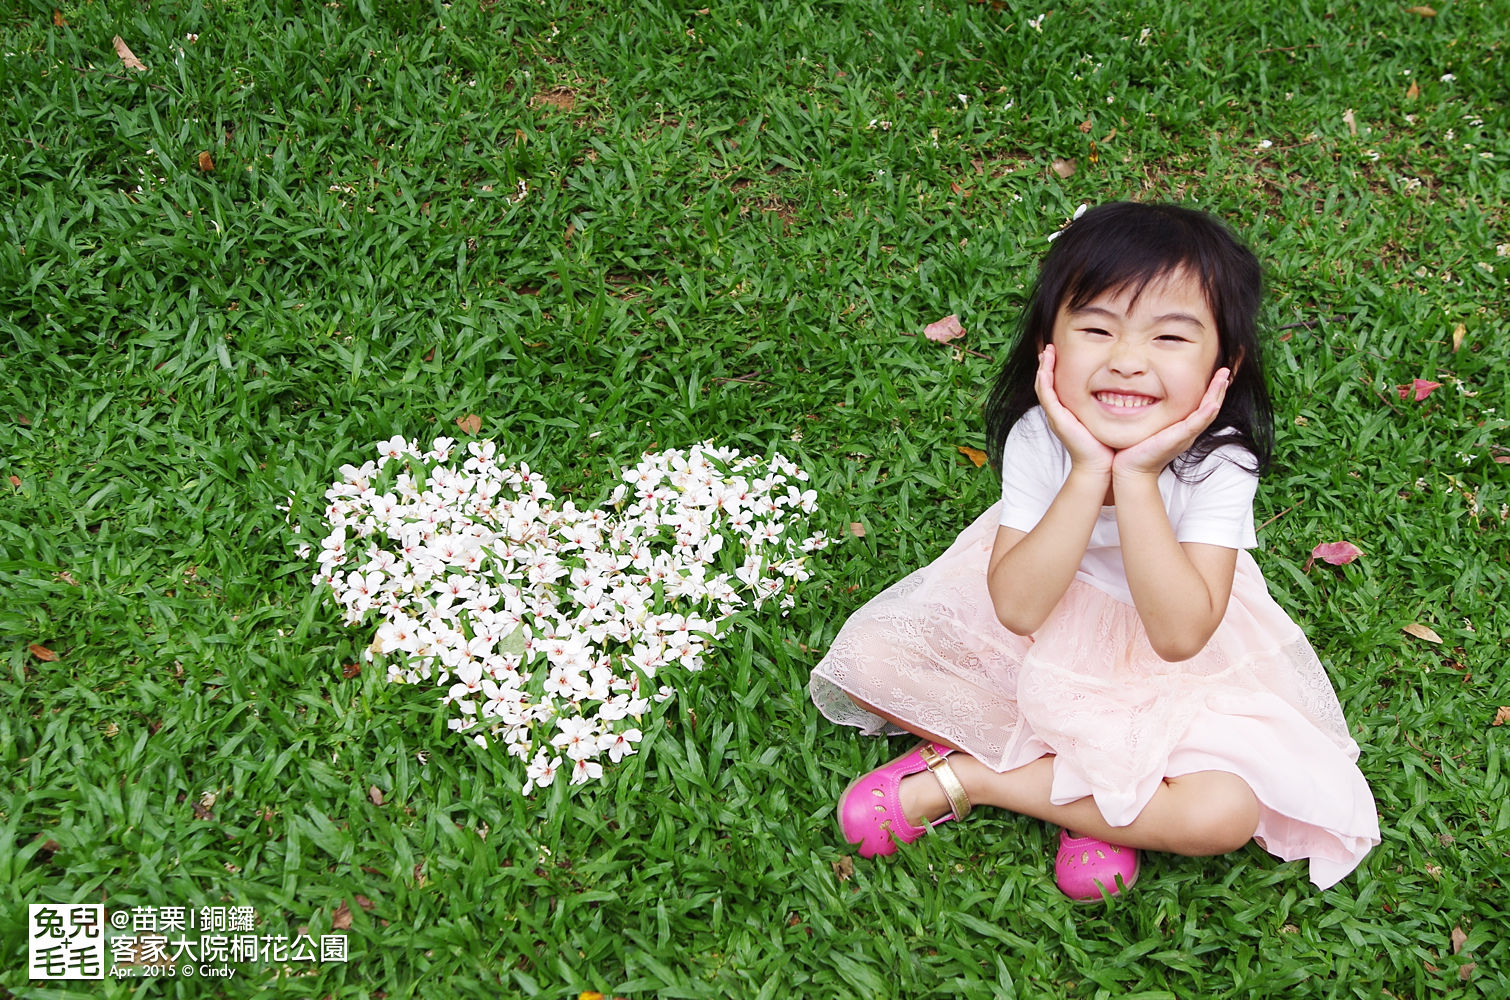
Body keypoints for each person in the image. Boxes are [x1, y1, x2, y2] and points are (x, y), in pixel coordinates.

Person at [810, 202, 1379, 901]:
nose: (1128, 361)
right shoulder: (1039, 440)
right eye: (1096, 328)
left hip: (1167, 660)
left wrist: (1136, 477)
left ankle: (980, 778)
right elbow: (1018, 608)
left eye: (1170, 338)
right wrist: (1087, 472)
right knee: (870, 662)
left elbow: (1178, 636)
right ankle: (1104, 793)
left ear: (1221, 367)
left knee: (1223, 812)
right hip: (1040, 626)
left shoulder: (1220, 463)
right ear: (1050, 345)